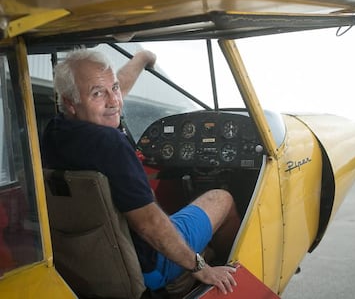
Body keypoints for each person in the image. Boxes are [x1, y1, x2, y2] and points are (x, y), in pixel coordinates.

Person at [41, 48, 240, 295]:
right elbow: (149, 224)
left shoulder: (53, 131)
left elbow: (110, 93)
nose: (114, 101)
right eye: (98, 93)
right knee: (222, 198)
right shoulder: (110, 144)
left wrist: (142, 58)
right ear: (71, 103)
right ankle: (232, 275)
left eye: (113, 88)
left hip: (95, 258)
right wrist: (201, 267)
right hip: (150, 264)